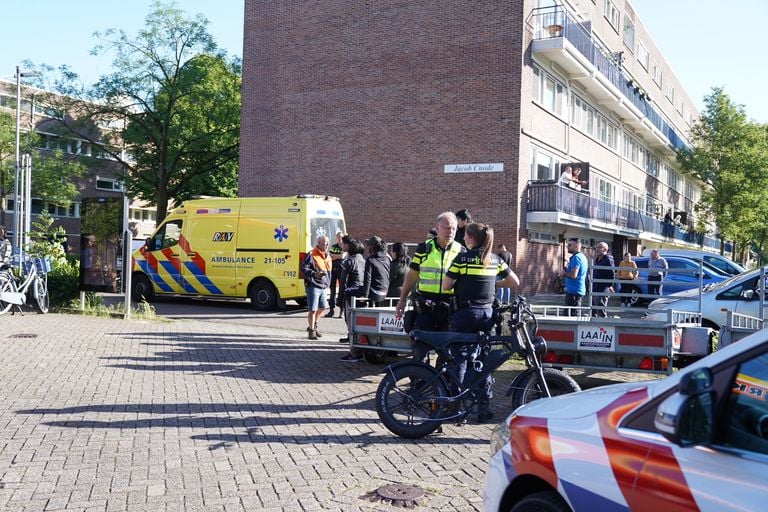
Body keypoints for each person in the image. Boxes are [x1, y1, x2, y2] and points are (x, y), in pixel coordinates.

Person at [443, 222, 519, 423]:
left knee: (459, 360)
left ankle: (455, 409)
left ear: (471, 238)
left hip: (465, 314)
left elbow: (446, 285)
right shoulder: (495, 259)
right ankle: (484, 409)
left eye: (466, 236)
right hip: (487, 315)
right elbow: (515, 282)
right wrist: (493, 282)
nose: (464, 239)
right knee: (485, 362)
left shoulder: (462, 258)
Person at [396, 212, 464, 365]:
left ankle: (441, 385)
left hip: (449, 308)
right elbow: (412, 275)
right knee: (420, 349)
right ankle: (419, 384)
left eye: (453, 229)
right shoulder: (424, 248)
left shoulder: (461, 251)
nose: (450, 232)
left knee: (448, 352)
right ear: (437, 228)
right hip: (425, 307)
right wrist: (401, 301)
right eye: (446, 228)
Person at [339, 238, 367, 361]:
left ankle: (354, 352)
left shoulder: (349, 262)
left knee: (351, 323)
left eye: (344, 243)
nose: (342, 245)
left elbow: (343, 282)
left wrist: (339, 300)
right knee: (360, 324)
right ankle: (360, 348)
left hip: (350, 296)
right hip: (362, 295)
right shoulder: (363, 260)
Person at [300, 235, 332, 340]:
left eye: (327, 243)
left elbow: (329, 271)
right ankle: (311, 331)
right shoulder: (312, 254)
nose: (326, 245)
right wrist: (314, 274)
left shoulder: (327, 255)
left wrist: (328, 283)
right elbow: (303, 268)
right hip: (313, 285)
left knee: (323, 307)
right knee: (312, 309)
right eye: (323, 243)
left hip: (323, 286)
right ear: (318, 243)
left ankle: (314, 325)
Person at [362, 235, 390, 307]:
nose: (367, 247)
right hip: (385, 292)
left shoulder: (370, 260)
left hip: (375, 292)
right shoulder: (387, 259)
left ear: (372, 247)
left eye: (368, 245)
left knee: (352, 291)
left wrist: (364, 296)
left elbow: (367, 279)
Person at [562, 238, 588, 316]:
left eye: (570, 245)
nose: (567, 247)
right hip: (576, 290)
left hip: (574, 292)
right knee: (572, 315)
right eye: (567, 245)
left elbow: (574, 275)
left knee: (571, 317)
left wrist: (564, 274)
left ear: (576, 246)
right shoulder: (582, 256)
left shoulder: (576, 258)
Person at [591, 242, 615, 317]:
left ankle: (603, 326)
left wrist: (610, 286)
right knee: (593, 310)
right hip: (595, 288)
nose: (597, 249)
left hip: (603, 288)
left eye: (599, 247)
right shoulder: (597, 259)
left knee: (601, 309)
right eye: (597, 247)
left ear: (605, 249)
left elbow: (611, 273)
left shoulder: (608, 259)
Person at [325, 231, 346, 318]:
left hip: (342, 271)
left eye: (341, 237)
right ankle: (331, 310)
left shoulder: (345, 247)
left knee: (342, 290)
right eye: (338, 237)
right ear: (336, 238)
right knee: (332, 290)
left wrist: (336, 256)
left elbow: (343, 256)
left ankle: (341, 311)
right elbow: (330, 256)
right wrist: (338, 256)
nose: (340, 239)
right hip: (333, 270)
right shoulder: (333, 246)